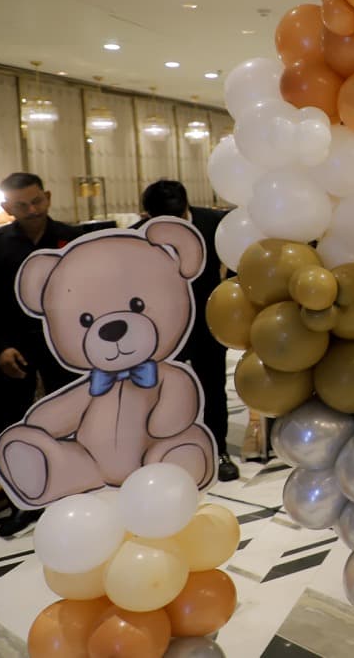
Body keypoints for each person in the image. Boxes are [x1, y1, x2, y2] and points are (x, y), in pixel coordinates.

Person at [0, 173, 85, 536]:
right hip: (13, 347)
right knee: (8, 425)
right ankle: (23, 502)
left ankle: (76, 492)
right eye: (22, 205)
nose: (32, 210)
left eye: (36, 201)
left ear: (47, 196)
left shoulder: (73, 239)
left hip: (66, 344)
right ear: (7, 207)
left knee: (74, 416)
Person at [135, 180, 239, 482]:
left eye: (178, 220)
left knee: (213, 388)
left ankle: (218, 450)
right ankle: (169, 454)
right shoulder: (137, 235)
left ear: (186, 208)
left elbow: (237, 261)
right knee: (164, 394)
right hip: (162, 330)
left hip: (206, 323)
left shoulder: (214, 224)